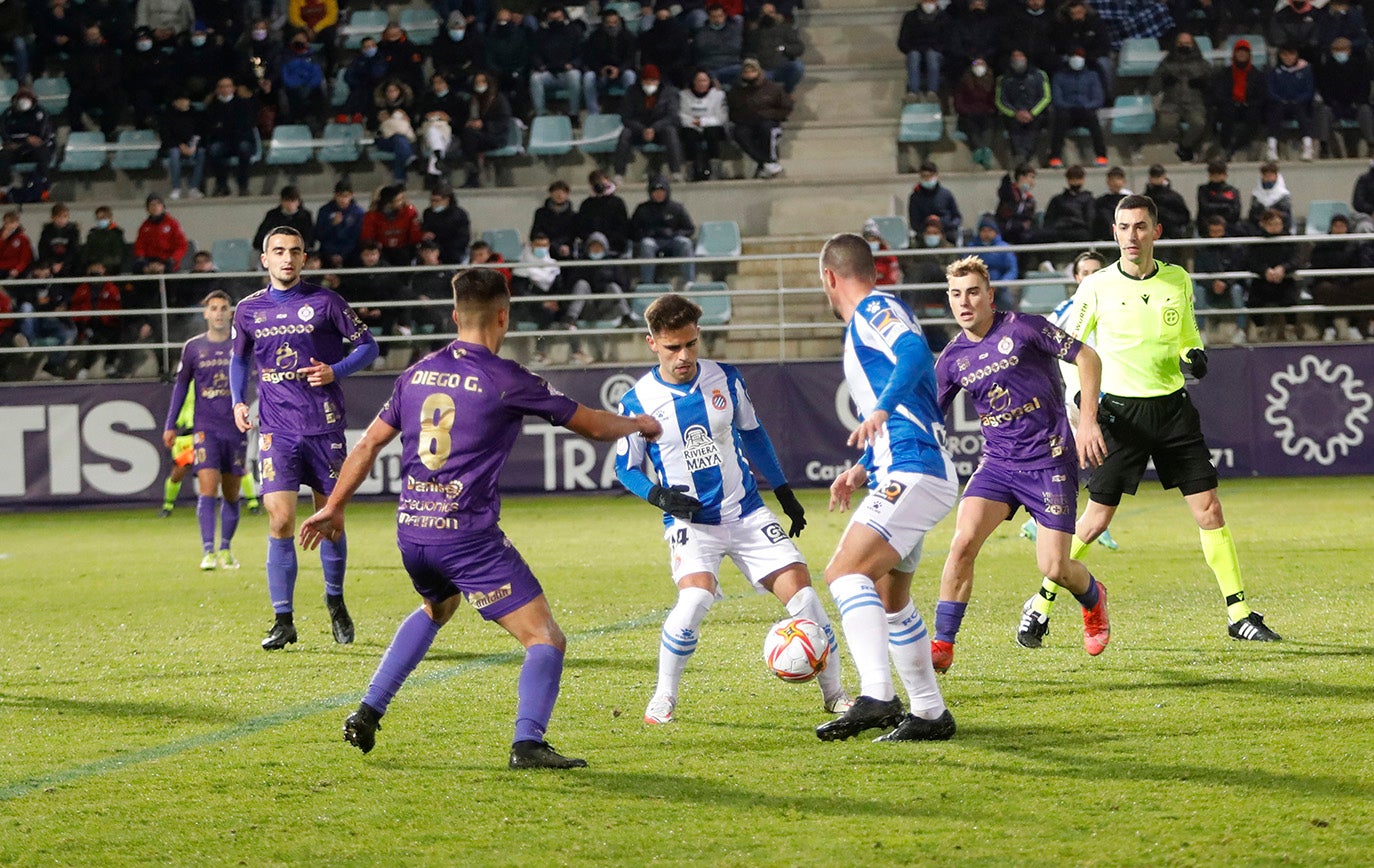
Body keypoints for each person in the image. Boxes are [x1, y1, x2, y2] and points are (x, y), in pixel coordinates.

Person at [299, 267, 663, 769]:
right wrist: (640, 425)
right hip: (465, 535)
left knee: (437, 607)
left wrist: (334, 504)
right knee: (546, 639)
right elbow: (596, 427)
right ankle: (528, 744)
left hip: (412, 532)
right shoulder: (506, 378)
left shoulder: (416, 373)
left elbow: (367, 443)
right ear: (503, 316)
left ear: (454, 315)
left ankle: (367, 710)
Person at [1028, 194, 1282, 645]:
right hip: (1120, 416)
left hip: (1173, 411)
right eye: (1124, 227)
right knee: (1096, 519)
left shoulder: (1178, 280)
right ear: (1115, 233)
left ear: (1156, 232)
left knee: (1209, 509)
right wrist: (1082, 407)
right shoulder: (1097, 287)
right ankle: (1042, 602)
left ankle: (1239, 613)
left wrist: (1193, 354)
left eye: (1140, 226)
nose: (1132, 236)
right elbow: (1070, 348)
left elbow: (1187, 331)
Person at [616, 292, 849, 724]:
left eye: (690, 344)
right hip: (692, 524)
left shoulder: (726, 378)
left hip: (746, 512)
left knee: (805, 598)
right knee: (694, 600)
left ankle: (836, 695)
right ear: (652, 343)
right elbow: (624, 467)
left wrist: (783, 491)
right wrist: (658, 496)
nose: (683, 355)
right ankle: (663, 697)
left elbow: (754, 433)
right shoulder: (637, 401)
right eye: (672, 347)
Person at [928, 255, 1109, 674]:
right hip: (998, 465)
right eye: (956, 294)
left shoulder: (1024, 328)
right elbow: (928, 414)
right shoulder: (953, 358)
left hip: (1049, 461)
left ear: (990, 295)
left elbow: (1088, 358)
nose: (964, 301)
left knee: (1055, 567)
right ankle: (942, 644)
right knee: (962, 542)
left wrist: (1088, 422)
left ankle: (1094, 597)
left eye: (973, 292)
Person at [813, 232, 958, 743]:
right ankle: (930, 713)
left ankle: (876, 693)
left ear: (830, 278)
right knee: (888, 595)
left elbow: (916, 352)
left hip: (914, 469)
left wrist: (878, 409)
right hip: (907, 466)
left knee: (843, 572)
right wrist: (860, 470)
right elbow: (914, 388)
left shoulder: (874, 309)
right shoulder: (875, 317)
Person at [230, 227, 380, 650]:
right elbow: (239, 360)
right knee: (280, 520)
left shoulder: (326, 302)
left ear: (304, 258)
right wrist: (239, 404)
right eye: (279, 251)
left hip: (324, 426)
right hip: (276, 430)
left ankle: (335, 603)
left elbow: (368, 347)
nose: (287, 258)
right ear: (265, 259)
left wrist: (336, 370)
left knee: (330, 520)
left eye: (295, 251)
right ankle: (283, 619)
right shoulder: (248, 310)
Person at [164, 290, 247, 570]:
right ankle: (209, 551)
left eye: (224, 307)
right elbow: (180, 387)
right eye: (214, 308)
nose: (219, 312)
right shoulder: (193, 348)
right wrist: (170, 424)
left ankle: (226, 548)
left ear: (231, 313)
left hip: (235, 428)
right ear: (206, 313)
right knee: (208, 488)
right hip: (206, 428)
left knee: (232, 493)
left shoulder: (241, 345)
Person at [1148, 31, 1211, 163]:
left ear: (1193, 45)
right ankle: (1183, 144)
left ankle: (1185, 146)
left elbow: (1213, 86)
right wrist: (1162, 78)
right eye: (1180, 43)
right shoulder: (1166, 64)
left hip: (1195, 103)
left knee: (1198, 123)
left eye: (1187, 43)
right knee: (1165, 126)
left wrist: (1204, 84)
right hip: (1171, 103)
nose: (1184, 46)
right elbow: (1153, 89)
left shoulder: (1203, 64)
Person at [615, 64, 684, 181]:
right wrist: (642, 129)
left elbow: (672, 116)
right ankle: (619, 174)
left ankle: (676, 172)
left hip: (660, 130)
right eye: (647, 81)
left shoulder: (669, 92)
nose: (650, 84)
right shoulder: (632, 92)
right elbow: (626, 117)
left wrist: (654, 128)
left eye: (653, 81)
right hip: (638, 130)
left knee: (671, 131)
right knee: (625, 134)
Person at [726, 57, 791, 179]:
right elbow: (732, 110)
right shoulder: (736, 90)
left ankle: (769, 161)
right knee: (739, 133)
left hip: (768, 121)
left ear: (759, 72)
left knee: (767, 129)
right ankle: (767, 162)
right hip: (745, 123)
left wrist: (771, 115)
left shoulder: (774, 88)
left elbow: (786, 107)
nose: (749, 74)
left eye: (752, 71)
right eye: (746, 72)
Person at [1047, 49, 1108, 169]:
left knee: (1093, 118)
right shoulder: (1059, 76)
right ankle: (1055, 157)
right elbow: (1057, 99)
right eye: (1073, 56)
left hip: (1085, 110)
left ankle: (1101, 156)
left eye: (1079, 56)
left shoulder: (1092, 76)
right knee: (1060, 118)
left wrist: (1086, 106)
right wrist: (1070, 106)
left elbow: (1098, 99)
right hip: (1067, 111)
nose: (1076, 58)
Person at [1314, 37, 1374, 157]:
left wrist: (1357, 101)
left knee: (1365, 110)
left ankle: (1371, 144)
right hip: (1335, 105)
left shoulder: (1360, 66)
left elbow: (1364, 88)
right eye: (1336, 49)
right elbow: (1324, 90)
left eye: (1343, 49)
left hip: (1354, 105)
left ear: (1349, 50)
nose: (1340, 52)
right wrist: (1332, 102)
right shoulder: (1327, 68)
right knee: (1324, 111)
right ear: (1332, 51)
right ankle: (1324, 147)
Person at [631, 175, 695, 283]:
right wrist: (648, 233)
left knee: (685, 243)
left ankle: (689, 282)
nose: (658, 194)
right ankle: (647, 284)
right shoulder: (642, 209)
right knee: (647, 244)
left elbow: (690, 229)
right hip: (652, 241)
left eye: (661, 191)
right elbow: (632, 231)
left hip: (672, 240)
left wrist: (676, 233)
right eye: (655, 191)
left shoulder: (676, 208)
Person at [1210, 38, 1266, 161]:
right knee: (1227, 114)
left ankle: (1232, 148)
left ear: (1249, 55)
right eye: (1239, 52)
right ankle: (1225, 146)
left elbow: (1261, 95)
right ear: (1234, 54)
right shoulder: (1224, 73)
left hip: (1249, 106)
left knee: (1254, 117)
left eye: (1244, 52)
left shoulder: (1257, 74)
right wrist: (1231, 102)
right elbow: (1219, 94)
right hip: (1229, 105)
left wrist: (1249, 103)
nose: (1241, 54)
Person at [457, 71, 513, 189]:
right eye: (477, 82)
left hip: (496, 136)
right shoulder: (473, 100)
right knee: (467, 134)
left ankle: (473, 176)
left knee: (469, 137)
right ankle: (472, 175)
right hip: (477, 136)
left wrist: (484, 124)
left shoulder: (498, 99)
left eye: (482, 81)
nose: (479, 84)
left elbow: (503, 122)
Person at [529, 4, 587, 120]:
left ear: (564, 17)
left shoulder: (574, 31)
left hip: (567, 72)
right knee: (535, 78)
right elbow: (535, 53)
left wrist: (573, 64)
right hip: (549, 73)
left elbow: (582, 54)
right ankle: (540, 114)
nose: (555, 22)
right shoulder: (541, 33)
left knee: (575, 76)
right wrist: (540, 65)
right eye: (552, 19)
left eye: (558, 19)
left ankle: (573, 113)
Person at [994, 49, 1050, 165]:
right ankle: (1020, 155)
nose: (1018, 60)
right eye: (1015, 57)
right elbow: (1000, 101)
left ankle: (1024, 155)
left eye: (1020, 57)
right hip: (1013, 114)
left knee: (1034, 127)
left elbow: (1045, 97)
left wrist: (1032, 113)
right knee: (1013, 128)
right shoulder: (1003, 79)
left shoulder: (1039, 75)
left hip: (1035, 113)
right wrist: (1015, 113)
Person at [203, 77, 257, 197]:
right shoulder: (213, 106)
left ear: (233, 88)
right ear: (217, 89)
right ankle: (222, 184)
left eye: (228, 86)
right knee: (213, 150)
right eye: (222, 86)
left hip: (241, 139)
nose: (225, 89)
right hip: (222, 141)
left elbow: (246, 125)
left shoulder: (243, 104)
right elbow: (212, 127)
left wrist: (224, 127)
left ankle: (243, 185)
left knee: (244, 149)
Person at [1264, 43, 1317, 162]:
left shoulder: (1305, 70)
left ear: (1296, 55)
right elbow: (1270, 91)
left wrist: (1298, 100)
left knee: (1302, 113)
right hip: (1280, 104)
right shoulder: (1274, 71)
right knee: (1275, 112)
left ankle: (1308, 147)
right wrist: (1280, 100)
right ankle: (1272, 147)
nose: (1288, 58)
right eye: (1285, 55)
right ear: (1280, 56)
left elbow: (1309, 91)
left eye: (1291, 54)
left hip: (1299, 104)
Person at [582, 7, 637, 115]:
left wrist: (619, 70)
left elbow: (631, 59)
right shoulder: (594, 37)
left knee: (630, 75)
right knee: (588, 77)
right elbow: (590, 58)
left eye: (614, 22)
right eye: (608, 23)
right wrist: (601, 69)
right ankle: (594, 114)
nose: (612, 25)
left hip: (621, 74)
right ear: (603, 23)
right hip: (601, 74)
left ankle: (631, 112)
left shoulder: (629, 37)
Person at [679, 69, 728, 182]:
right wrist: (694, 122)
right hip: (691, 126)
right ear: (694, 82)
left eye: (704, 80)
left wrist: (702, 122)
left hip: (712, 126)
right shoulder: (684, 95)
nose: (702, 83)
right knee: (689, 136)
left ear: (709, 82)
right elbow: (681, 114)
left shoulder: (719, 95)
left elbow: (721, 117)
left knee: (713, 134)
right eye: (699, 80)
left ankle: (715, 169)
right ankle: (692, 170)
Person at [744, 2, 804, 94]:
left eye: (771, 12)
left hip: (782, 68)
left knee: (797, 66)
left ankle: (787, 91)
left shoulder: (785, 29)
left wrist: (784, 48)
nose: (768, 15)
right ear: (760, 15)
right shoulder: (754, 32)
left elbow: (799, 47)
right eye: (765, 13)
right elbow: (747, 51)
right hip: (763, 70)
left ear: (775, 14)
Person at [951, 54, 997, 170]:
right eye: (976, 64)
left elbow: (995, 100)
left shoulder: (993, 81)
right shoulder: (964, 81)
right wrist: (967, 110)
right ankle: (979, 149)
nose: (979, 66)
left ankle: (984, 150)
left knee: (989, 125)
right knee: (971, 126)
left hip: (987, 112)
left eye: (982, 64)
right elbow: (958, 101)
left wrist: (990, 110)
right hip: (968, 114)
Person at [897, 0, 949, 102]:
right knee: (914, 56)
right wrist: (912, 48)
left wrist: (936, 48)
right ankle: (913, 92)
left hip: (936, 51)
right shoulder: (910, 17)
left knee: (932, 56)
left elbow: (948, 40)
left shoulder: (944, 17)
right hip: (915, 50)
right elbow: (903, 41)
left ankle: (932, 91)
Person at [162, 94, 206, 201]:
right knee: (174, 153)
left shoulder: (196, 115)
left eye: (184, 99)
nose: (182, 102)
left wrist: (193, 146)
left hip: (193, 145)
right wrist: (180, 145)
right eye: (179, 100)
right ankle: (176, 188)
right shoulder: (168, 116)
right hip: (176, 146)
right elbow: (167, 135)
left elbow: (201, 132)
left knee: (202, 152)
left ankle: (193, 188)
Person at [907, 162, 961, 244]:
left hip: (946, 236)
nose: (927, 179)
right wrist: (928, 227)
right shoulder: (915, 197)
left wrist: (941, 224)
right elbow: (914, 222)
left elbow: (957, 218)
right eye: (924, 176)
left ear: (936, 175)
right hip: (923, 238)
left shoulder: (946, 194)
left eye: (930, 176)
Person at [133, 193, 189, 272]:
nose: (155, 207)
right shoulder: (144, 227)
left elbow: (182, 245)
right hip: (149, 261)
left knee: (168, 269)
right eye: (152, 204)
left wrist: (172, 259)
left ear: (163, 207)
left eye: (158, 204)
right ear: (148, 208)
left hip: (168, 260)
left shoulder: (173, 223)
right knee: (137, 268)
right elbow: (139, 246)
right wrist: (143, 261)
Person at [315, 180, 365, 268]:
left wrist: (342, 254)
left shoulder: (358, 213)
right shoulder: (324, 211)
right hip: (327, 254)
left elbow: (356, 237)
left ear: (351, 195)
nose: (343, 200)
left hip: (351, 254)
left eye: (346, 196)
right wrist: (332, 225)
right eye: (340, 196)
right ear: (335, 195)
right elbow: (319, 234)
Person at [1041, 165, 1095, 245]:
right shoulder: (1057, 199)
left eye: (1078, 178)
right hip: (1059, 230)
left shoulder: (1089, 199)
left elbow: (1090, 219)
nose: (1075, 182)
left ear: (1083, 180)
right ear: (1068, 180)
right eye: (1072, 179)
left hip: (1080, 231)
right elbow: (1049, 220)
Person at [253, 186, 315, 253]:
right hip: (276, 249)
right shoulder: (272, 215)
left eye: (293, 201)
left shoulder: (305, 216)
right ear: (282, 201)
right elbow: (261, 237)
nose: (290, 204)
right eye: (287, 201)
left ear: (298, 202)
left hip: (298, 250)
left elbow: (309, 238)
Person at [1143, 164, 1192, 240]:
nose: (1156, 179)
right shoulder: (1145, 199)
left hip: (1173, 235)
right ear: (1150, 177)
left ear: (1164, 176)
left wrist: (1170, 219)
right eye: (1154, 176)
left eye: (1158, 175)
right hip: (1151, 236)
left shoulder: (1174, 197)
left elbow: (1185, 217)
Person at [1244, 161, 1293, 233]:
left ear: (1276, 176)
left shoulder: (1284, 195)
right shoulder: (1256, 195)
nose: (1268, 178)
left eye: (1271, 175)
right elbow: (1252, 216)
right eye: (1265, 175)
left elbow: (1287, 217)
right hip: (1259, 230)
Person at [1195, 159, 1242, 232]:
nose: (1216, 177)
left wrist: (1215, 206)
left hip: (1229, 227)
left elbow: (1236, 212)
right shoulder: (1203, 189)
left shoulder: (1233, 191)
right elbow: (1205, 208)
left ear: (1225, 175)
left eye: (1219, 174)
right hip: (1206, 228)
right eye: (1213, 174)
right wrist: (1226, 206)